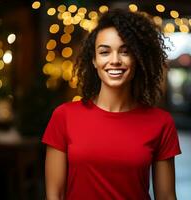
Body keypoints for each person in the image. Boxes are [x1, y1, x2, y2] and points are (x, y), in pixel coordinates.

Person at [42, 9, 181, 200]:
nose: (114, 61)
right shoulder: (64, 116)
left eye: (125, 51)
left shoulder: (161, 123)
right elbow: (54, 195)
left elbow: (166, 196)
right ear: (94, 60)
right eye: (105, 52)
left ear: (138, 60)